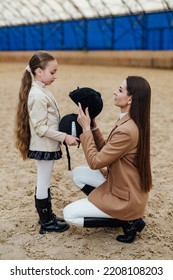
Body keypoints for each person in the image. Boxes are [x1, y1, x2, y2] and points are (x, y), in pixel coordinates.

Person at [63, 76, 152, 243]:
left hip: (126, 199)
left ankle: (127, 220)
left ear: (130, 99)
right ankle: (119, 214)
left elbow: (96, 162)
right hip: (120, 185)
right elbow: (107, 152)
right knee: (78, 174)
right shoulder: (129, 121)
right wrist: (94, 125)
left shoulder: (127, 130)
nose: (114, 92)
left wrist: (86, 129)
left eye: (119, 90)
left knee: (69, 214)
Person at [15, 51, 79, 234]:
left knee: (45, 180)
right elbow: (40, 128)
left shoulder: (41, 90)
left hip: (47, 144)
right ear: (39, 71)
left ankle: (48, 216)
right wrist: (64, 137)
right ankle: (46, 221)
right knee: (43, 181)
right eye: (52, 72)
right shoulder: (37, 95)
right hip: (44, 145)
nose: (55, 76)